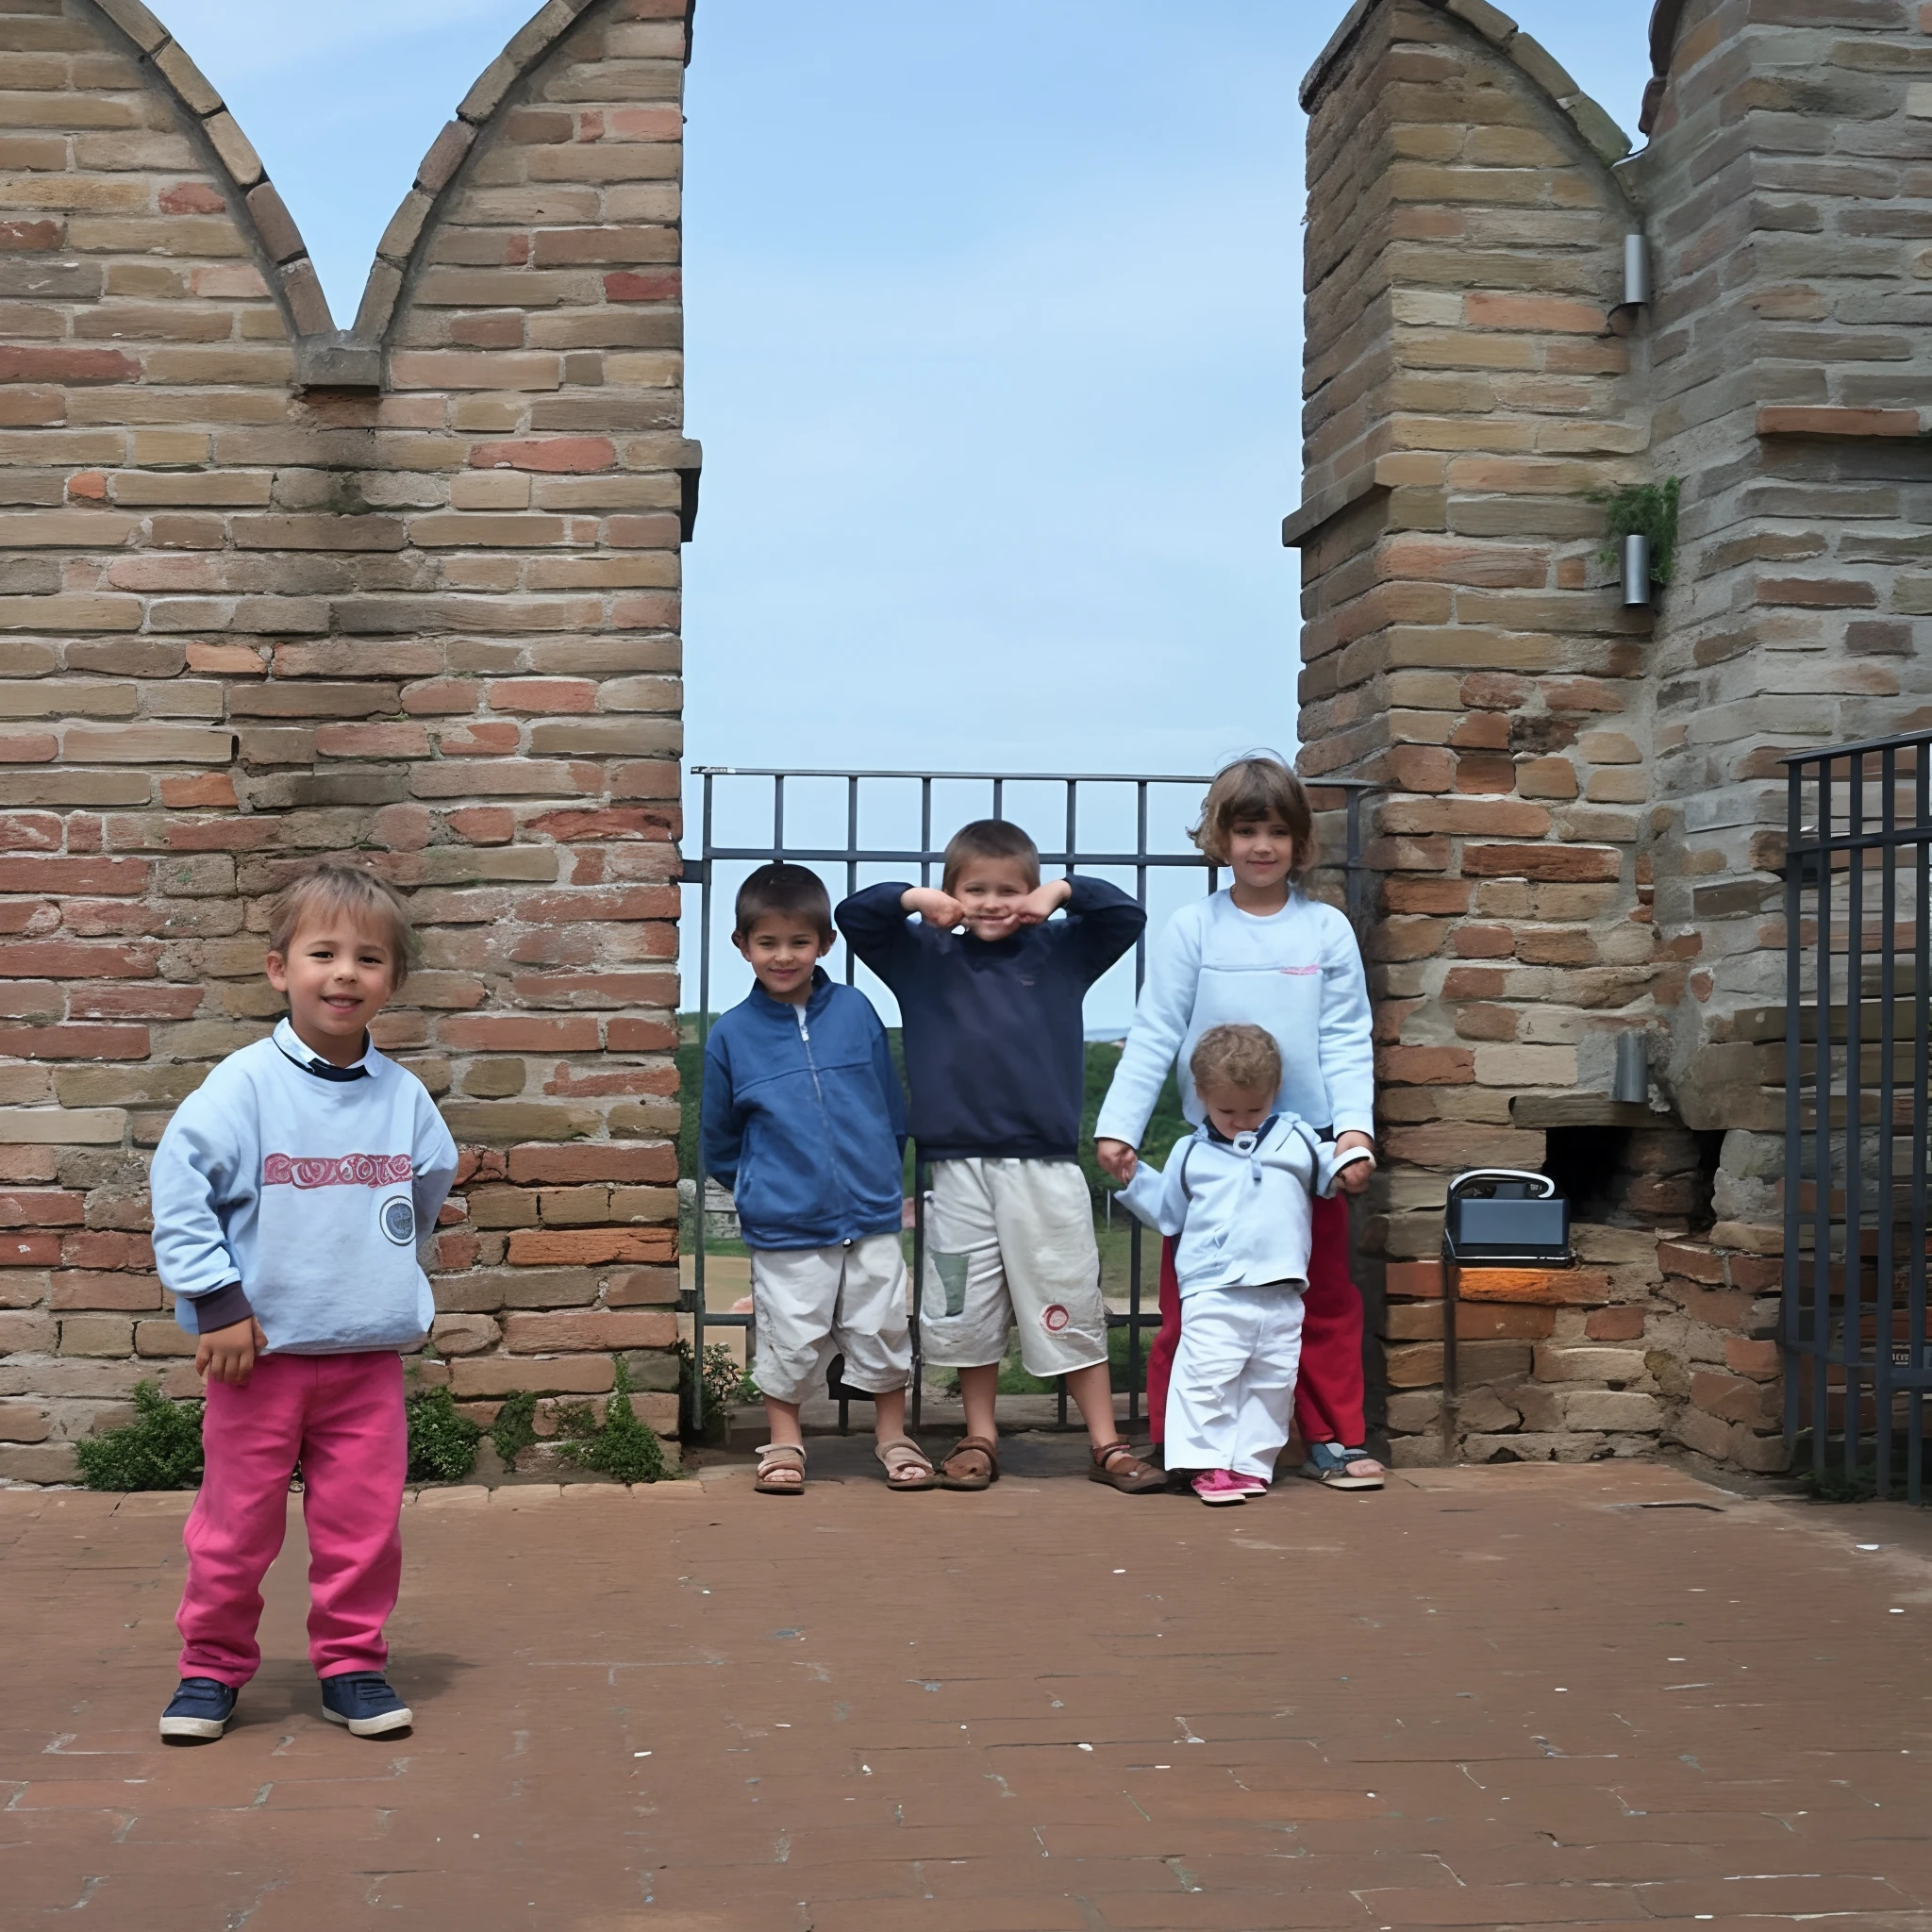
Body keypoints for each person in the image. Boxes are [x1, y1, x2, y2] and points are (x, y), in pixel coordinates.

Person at [148, 863, 458, 1744]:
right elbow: (179, 1186)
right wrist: (215, 1300)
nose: (345, 973)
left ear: (391, 980)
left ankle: (353, 1666)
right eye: (323, 953)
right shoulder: (245, 1086)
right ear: (280, 969)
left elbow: (430, 1181)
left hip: (364, 1359)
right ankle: (209, 1669)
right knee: (234, 1529)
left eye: (368, 958)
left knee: (363, 1529)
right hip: (259, 1357)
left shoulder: (401, 1097)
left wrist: (376, 1267)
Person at [838, 820, 1163, 1493]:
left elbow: (1125, 914)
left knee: (1067, 1296)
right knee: (965, 1311)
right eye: (974, 890)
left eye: (1008, 890)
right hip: (954, 1171)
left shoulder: (1061, 950)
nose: (991, 902)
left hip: (1043, 1167)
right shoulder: (923, 954)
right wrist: (915, 899)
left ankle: (1105, 1442)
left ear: (1032, 892)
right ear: (952, 893)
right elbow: (855, 916)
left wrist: (1061, 892)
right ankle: (979, 1436)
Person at [1093, 756, 1383, 1490]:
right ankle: (1177, 1437)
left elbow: (1348, 1035)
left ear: (1300, 842)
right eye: (1246, 830)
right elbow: (1157, 1028)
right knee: (1190, 1303)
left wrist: (1353, 1132)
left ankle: (1334, 1438)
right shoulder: (1194, 926)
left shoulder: (1325, 930)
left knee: (1321, 1298)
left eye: (1277, 832)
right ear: (1220, 840)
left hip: (1306, 1148)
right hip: (1213, 1152)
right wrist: (1119, 1126)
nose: (1261, 846)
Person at [701, 862, 934, 1494]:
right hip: (786, 1222)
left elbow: (889, 1107)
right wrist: (760, 1187)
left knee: (883, 1324)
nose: (784, 956)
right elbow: (719, 1140)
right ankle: (784, 1443)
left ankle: (893, 1436)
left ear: (825, 943)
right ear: (742, 946)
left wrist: (880, 1175)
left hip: (871, 1212)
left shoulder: (857, 1011)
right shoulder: (731, 1035)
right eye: (768, 943)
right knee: (790, 1333)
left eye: (799, 942)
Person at [1117, 1025, 1369, 1504]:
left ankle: (1251, 1466)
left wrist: (1352, 1161)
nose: (1241, 1121)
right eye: (1226, 1111)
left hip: (1282, 1290)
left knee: (1271, 1383)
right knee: (1207, 1379)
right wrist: (1134, 1179)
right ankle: (1206, 1465)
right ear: (1202, 1097)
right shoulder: (1189, 1151)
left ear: (1274, 1092)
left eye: (1254, 1109)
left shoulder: (1295, 1137)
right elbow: (1170, 1213)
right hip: (1214, 1290)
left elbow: (1329, 1172)